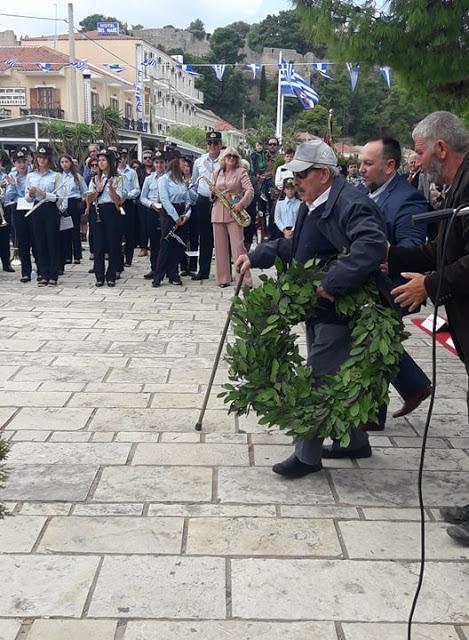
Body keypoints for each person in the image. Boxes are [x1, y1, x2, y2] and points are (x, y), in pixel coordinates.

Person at [236, 140, 388, 478]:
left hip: (342, 307)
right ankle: (354, 442)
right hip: (316, 306)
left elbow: (372, 245)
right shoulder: (311, 202)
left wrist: (333, 283)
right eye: (293, 176)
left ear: (323, 174)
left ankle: (306, 456)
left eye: (301, 175)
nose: (295, 182)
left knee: (317, 379)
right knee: (335, 374)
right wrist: (258, 255)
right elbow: (297, 247)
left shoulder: (350, 203)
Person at [386, 111, 469, 545]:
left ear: (440, 147)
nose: (415, 162)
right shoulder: (459, 183)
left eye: (418, 152)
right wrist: (393, 257)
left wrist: (430, 285)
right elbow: (444, 247)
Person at [358, 137, 433, 429]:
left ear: (389, 166)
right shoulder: (368, 193)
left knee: (373, 341)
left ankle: (373, 414)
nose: (361, 169)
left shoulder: (408, 198)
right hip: (366, 280)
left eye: (368, 163)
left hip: (391, 286)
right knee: (373, 342)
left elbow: (412, 247)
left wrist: (383, 253)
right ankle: (411, 388)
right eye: (361, 162)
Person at [211, 147, 254, 288]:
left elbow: (250, 190)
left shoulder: (241, 172)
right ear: (224, 158)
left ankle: (244, 280)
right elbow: (211, 197)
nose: (231, 158)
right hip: (218, 211)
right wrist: (212, 192)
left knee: (238, 247)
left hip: (234, 212)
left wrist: (242, 204)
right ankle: (223, 279)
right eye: (228, 156)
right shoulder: (217, 173)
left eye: (234, 156)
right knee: (220, 248)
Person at [86, 149, 124, 287]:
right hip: (98, 210)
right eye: (99, 160)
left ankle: (111, 274)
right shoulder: (94, 178)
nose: (100, 163)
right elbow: (88, 199)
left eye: (103, 160)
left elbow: (118, 200)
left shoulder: (118, 178)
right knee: (98, 245)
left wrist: (111, 188)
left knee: (113, 244)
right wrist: (98, 189)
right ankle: (99, 275)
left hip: (112, 210)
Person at [24, 146, 61, 286]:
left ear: (49, 159)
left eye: (44, 158)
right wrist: (32, 194)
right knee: (39, 242)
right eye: (39, 157)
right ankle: (43, 273)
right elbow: (27, 198)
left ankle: (53, 274)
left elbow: (60, 197)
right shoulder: (31, 176)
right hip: (36, 208)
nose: (41, 160)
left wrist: (44, 193)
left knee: (52, 241)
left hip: (50, 208)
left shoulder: (56, 176)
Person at [152, 157, 191, 288]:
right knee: (166, 244)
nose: (184, 166)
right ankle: (159, 274)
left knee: (179, 245)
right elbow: (164, 199)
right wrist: (175, 217)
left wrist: (186, 215)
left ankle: (173, 273)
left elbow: (188, 199)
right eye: (182, 163)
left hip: (181, 211)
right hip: (169, 213)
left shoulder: (181, 181)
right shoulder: (164, 179)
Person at [191, 131, 222, 281]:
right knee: (204, 237)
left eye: (215, 143)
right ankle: (203, 270)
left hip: (220, 200)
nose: (212, 146)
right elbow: (193, 181)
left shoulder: (226, 160)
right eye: (209, 143)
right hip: (203, 201)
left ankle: (223, 273)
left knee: (222, 238)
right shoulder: (200, 161)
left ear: (220, 144)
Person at [4, 148, 34, 281]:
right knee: (22, 240)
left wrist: (17, 186)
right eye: (18, 162)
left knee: (36, 239)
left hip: (32, 207)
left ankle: (40, 268)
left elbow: (28, 192)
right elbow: (9, 196)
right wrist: (15, 184)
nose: (21, 165)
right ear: (14, 163)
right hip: (18, 208)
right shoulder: (12, 174)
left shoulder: (32, 174)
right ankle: (25, 272)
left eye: (23, 162)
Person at [140, 151, 166, 281]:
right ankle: (154, 268)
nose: (159, 165)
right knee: (154, 241)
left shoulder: (170, 178)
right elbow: (142, 197)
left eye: (161, 162)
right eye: (157, 162)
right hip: (152, 210)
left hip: (166, 211)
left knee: (166, 241)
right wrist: (151, 204)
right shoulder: (149, 179)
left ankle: (166, 268)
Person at [57, 153, 87, 266]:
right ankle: (67, 255)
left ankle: (77, 255)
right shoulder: (58, 176)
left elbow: (84, 191)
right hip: (62, 203)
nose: (64, 164)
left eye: (66, 162)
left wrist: (82, 203)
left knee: (75, 230)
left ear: (70, 163)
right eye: (62, 162)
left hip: (74, 202)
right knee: (65, 230)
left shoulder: (77, 177)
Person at [118, 147, 140, 267]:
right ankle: (119, 258)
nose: (122, 159)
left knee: (129, 231)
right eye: (120, 157)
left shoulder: (132, 172)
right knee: (117, 231)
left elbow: (137, 189)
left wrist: (128, 195)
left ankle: (129, 258)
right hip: (116, 202)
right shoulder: (114, 171)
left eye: (124, 157)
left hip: (127, 203)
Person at [136, 150, 154, 256]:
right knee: (143, 225)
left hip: (154, 202)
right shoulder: (139, 170)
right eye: (145, 158)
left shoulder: (156, 169)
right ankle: (143, 247)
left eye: (149, 158)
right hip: (142, 201)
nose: (147, 160)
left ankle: (153, 245)